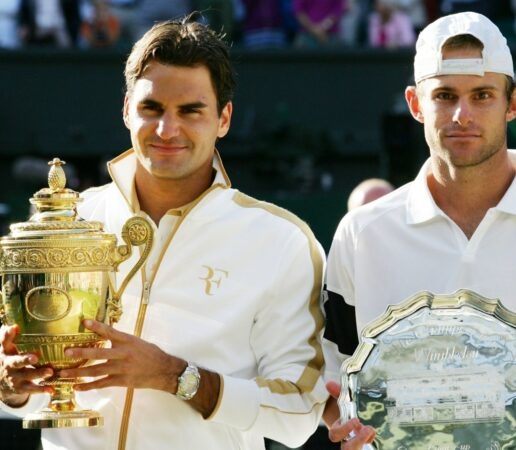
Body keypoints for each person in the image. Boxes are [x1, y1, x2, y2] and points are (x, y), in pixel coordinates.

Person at [0, 14, 328, 450]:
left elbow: (300, 411)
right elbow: (16, 392)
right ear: (125, 110)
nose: (167, 130)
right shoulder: (70, 220)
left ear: (224, 118)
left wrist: (176, 377)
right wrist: (12, 384)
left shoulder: (282, 240)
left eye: (190, 111)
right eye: (151, 109)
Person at [322, 11, 516, 449]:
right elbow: (331, 381)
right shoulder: (361, 233)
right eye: (445, 95)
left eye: (483, 95)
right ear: (416, 104)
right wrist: (345, 420)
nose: (462, 114)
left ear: (514, 102)